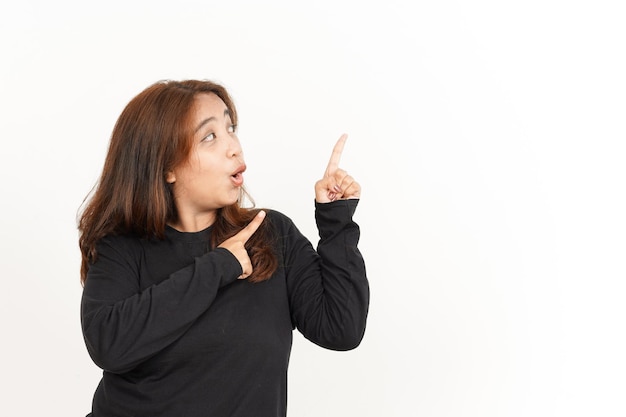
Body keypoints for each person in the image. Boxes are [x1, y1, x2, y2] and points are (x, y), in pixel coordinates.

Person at [78, 79, 369, 417]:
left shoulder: (269, 234)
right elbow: (108, 345)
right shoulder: (123, 246)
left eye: (230, 128)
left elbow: (342, 328)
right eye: (210, 137)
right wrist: (219, 266)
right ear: (167, 167)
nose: (234, 147)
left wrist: (336, 222)